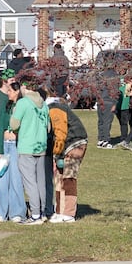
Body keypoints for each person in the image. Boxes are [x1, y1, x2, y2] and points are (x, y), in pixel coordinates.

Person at [3, 74, 49, 225]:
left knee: (30, 183)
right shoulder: (44, 104)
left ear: (24, 87)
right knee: (40, 181)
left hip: (26, 146)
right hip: (41, 146)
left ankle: (35, 215)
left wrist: (16, 113)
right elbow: (48, 127)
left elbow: (14, 125)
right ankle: (42, 212)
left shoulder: (23, 103)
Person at [46, 91, 88, 222]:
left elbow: (60, 133)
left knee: (69, 177)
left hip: (74, 143)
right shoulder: (53, 107)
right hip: (65, 146)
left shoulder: (54, 109)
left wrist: (57, 153)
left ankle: (69, 213)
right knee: (59, 178)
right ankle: (60, 210)